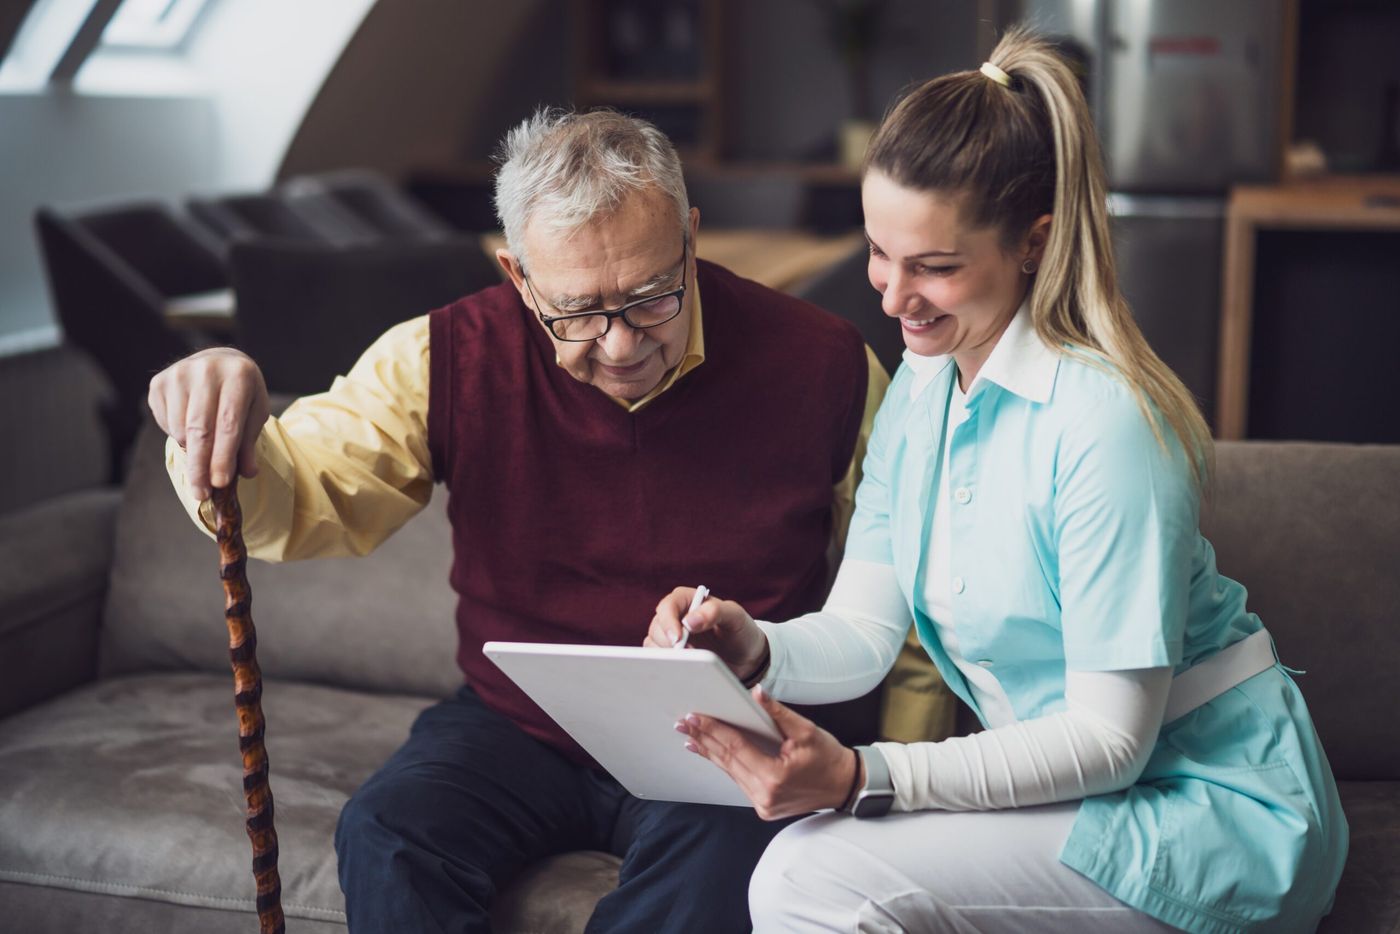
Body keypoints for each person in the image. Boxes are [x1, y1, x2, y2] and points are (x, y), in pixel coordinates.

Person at [649, 30, 1348, 933]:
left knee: (810, 875)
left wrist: (871, 776)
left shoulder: (1105, 425)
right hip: (1088, 797)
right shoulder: (923, 388)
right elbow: (866, 629)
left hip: (1217, 814)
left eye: (935, 267)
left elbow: (1110, 741)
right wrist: (756, 649)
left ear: (1034, 243)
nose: (893, 297)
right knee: (810, 867)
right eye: (877, 253)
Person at [149, 109, 889, 933]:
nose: (617, 346)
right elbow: (296, 503)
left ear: (691, 236)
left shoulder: (827, 362)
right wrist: (217, 426)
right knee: (388, 836)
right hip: (519, 722)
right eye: (576, 313)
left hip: (727, 734)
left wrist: (898, 774)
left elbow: (904, 598)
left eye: (652, 298)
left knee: (716, 874)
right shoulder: (440, 355)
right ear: (518, 274)